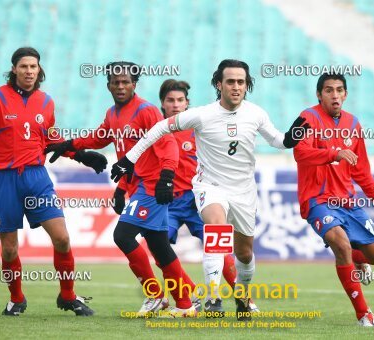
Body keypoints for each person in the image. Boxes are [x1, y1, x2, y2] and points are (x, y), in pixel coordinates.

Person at [110, 59, 308, 321]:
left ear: (247, 85)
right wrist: (129, 159)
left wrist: (290, 138)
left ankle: (243, 296)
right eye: (230, 81)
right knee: (214, 229)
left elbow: (278, 140)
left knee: (244, 253)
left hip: (243, 191)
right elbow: (159, 127)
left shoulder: (256, 114)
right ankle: (212, 298)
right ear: (219, 84)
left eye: (241, 82)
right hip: (208, 187)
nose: (236, 87)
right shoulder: (202, 115)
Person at [45, 61, 197, 317]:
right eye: (116, 82)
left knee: (123, 236)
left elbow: (168, 144)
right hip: (137, 184)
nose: (120, 86)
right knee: (159, 246)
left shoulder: (146, 111)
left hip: (152, 186)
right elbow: (99, 136)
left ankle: (155, 296)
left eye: (125, 82)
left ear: (134, 84)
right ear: (108, 86)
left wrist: (167, 177)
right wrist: (69, 145)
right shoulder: (113, 113)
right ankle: (185, 304)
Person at [0, 47, 107, 316]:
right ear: (14, 70)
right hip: (5, 179)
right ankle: (16, 299)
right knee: (9, 250)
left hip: (36, 178)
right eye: (24, 67)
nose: (29, 71)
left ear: (39, 70)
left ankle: (67, 296)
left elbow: (51, 140)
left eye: (34, 67)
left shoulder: (46, 102)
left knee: (62, 239)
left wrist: (82, 156)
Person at [293, 73, 374, 327]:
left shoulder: (354, 124)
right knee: (341, 245)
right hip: (317, 200)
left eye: (339, 90)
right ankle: (364, 313)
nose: (335, 95)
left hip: (348, 202)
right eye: (328, 90)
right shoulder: (307, 118)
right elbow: (300, 152)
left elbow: (361, 170)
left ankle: (358, 259)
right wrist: (334, 153)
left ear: (346, 94)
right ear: (319, 95)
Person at [157, 79, 259, 316]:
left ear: (187, 103)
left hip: (196, 201)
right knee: (159, 248)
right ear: (162, 104)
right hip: (169, 204)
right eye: (170, 100)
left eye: (180, 100)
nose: (175, 105)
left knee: (220, 248)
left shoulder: (201, 129)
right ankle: (188, 296)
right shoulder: (158, 131)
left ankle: (243, 298)